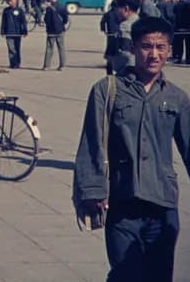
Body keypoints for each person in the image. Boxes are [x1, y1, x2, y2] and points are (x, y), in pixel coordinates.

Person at [72, 17, 190, 282]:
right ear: (133, 48)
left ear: (170, 49)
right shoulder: (107, 90)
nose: (154, 54)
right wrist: (92, 191)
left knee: (160, 275)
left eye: (161, 47)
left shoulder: (177, 97)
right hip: (123, 203)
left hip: (163, 204)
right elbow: (92, 142)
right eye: (147, 46)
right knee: (126, 273)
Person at [108, 0, 140, 75]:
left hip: (128, 71)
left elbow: (125, 53)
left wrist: (113, 61)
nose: (116, 12)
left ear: (126, 9)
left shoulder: (125, 26)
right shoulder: (140, 22)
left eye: (118, 8)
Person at [0, 0, 28, 69]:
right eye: (9, 1)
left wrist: (25, 31)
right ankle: (12, 63)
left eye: (11, 1)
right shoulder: (6, 10)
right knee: (11, 48)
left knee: (17, 48)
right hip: (8, 32)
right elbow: (3, 21)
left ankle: (17, 62)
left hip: (17, 32)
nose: (9, 2)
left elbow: (23, 21)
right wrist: (2, 31)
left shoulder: (20, 10)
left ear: (15, 1)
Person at [43, 0, 69, 70]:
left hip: (51, 30)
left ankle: (47, 66)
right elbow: (65, 19)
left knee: (49, 48)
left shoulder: (49, 8)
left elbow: (46, 20)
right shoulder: (62, 6)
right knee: (61, 48)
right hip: (60, 30)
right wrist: (62, 24)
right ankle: (62, 65)